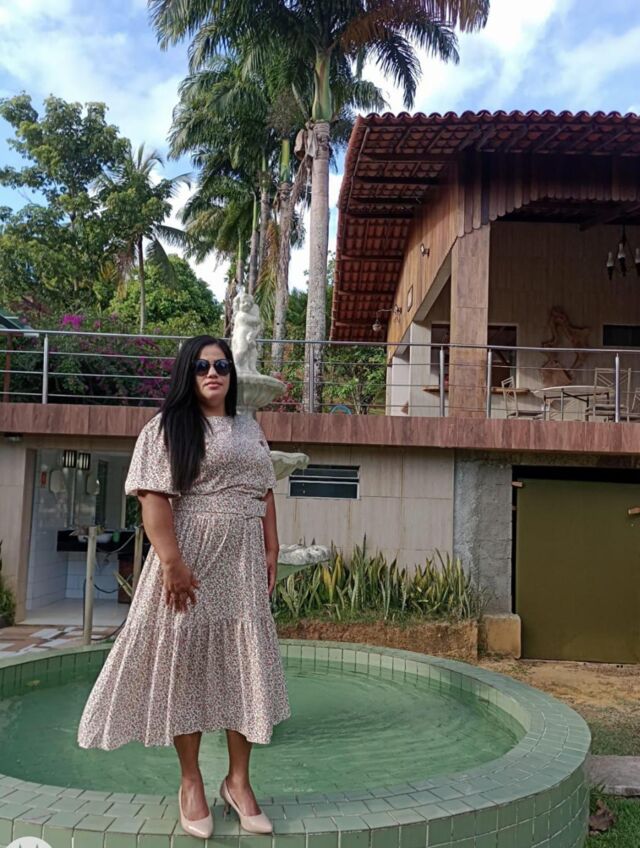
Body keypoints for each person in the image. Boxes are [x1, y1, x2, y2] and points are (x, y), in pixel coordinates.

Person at [77, 335, 291, 839]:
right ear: (186, 374)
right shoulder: (166, 427)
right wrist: (172, 563)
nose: (213, 373)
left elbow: (265, 491)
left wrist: (272, 547)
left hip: (242, 563)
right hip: (190, 560)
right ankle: (191, 780)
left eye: (221, 365)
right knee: (186, 665)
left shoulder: (249, 428)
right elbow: (153, 497)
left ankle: (238, 782)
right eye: (201, 366)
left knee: (244, 664)